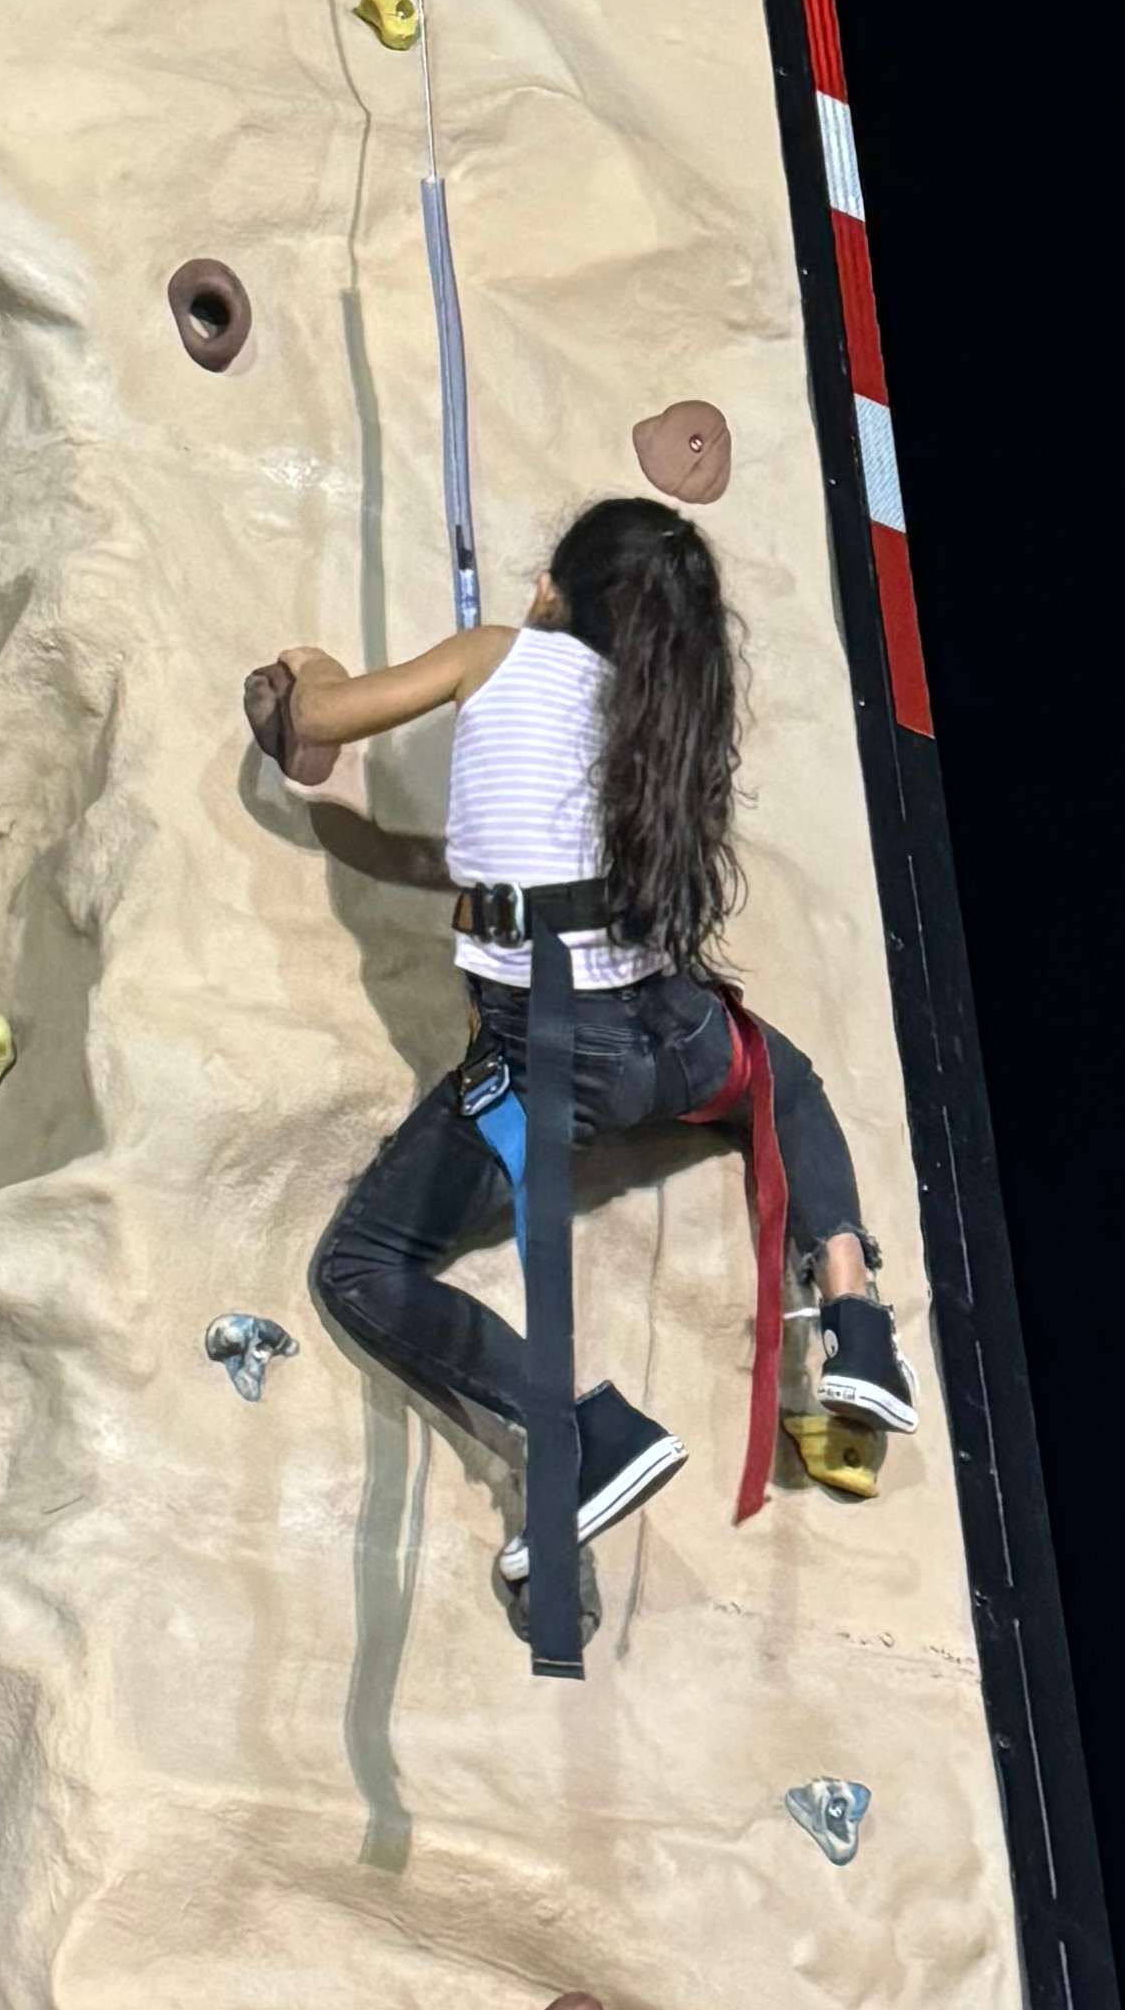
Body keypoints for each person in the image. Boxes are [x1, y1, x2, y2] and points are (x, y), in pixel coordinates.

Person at [247, 495, 916, 1578]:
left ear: (551, 592)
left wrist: (304, 663)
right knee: (779, 1079)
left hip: (553, 1067)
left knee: (364, 1265)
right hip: (673, 1036)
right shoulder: (657, 714)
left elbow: (322, 716)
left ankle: (577, 1433)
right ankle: (854, 1309)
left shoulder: (491, 653)